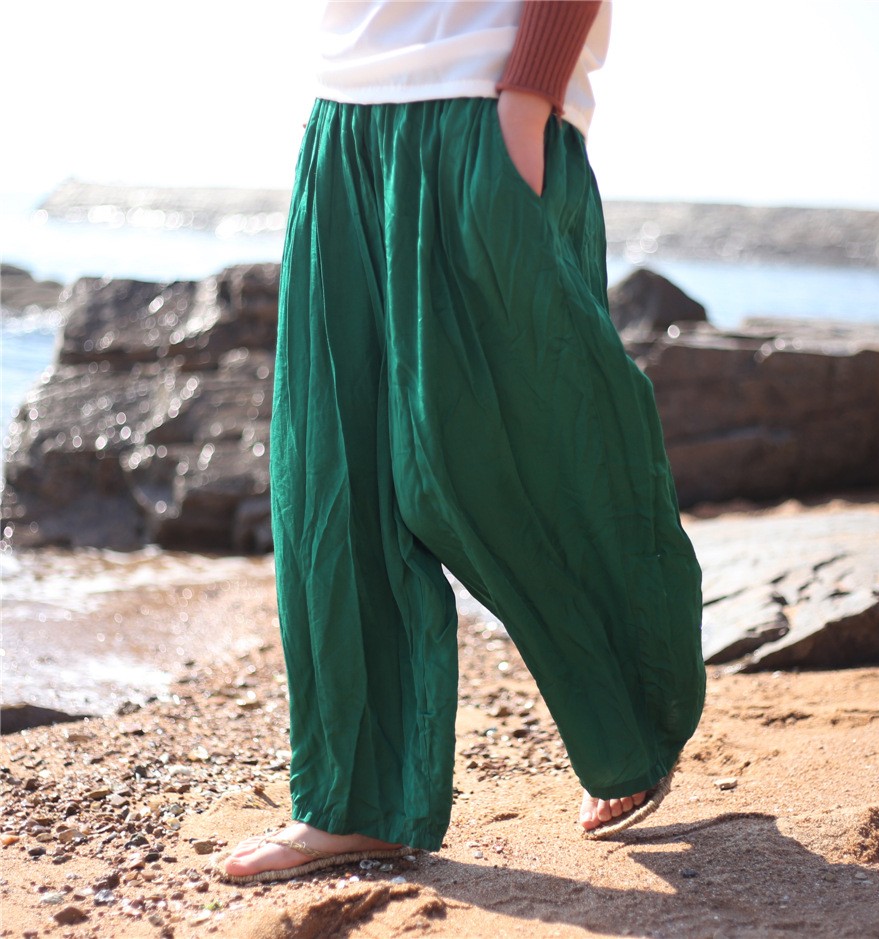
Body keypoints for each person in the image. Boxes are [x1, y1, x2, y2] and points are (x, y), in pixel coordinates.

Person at [219, 0, 705, 885]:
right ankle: (355, 801)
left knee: (517, 453)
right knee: (336, 470)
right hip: (344, 121)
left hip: (482, 106)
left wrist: (525, 103)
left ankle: (633, 714)